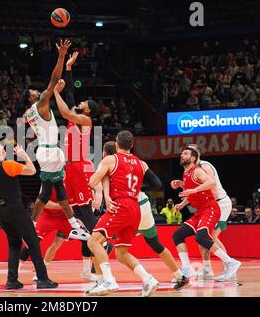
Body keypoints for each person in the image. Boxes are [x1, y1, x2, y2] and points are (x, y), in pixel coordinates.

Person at [22, 39, 88, 241]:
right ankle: (33, 226)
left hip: (45, 151)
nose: (37, 90)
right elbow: (53, 79)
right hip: (50, 151)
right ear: (32, 98)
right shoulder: (41, 103)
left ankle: (72, 226)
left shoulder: (28, 113)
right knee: (51, 191)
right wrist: (61, 56)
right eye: (34, 91)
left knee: (54, 191)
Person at [101, 141, 188, 291]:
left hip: (129, 210)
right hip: (144, 205)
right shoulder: (137, 162)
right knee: (156, 244)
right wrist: (137, 188)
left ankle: (103, 278)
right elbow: (156, 183)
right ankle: (180, 276)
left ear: (106, 154)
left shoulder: (110, 164)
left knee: (102, 240)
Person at [86, 131, 158, 296]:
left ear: (116, 144)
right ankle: (148, 279)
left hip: (121, 206)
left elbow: (92, 181)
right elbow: (155, 183)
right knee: (121, 252)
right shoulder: (141, 163)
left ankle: (109, 280)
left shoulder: (111, 159)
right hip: (135, 207)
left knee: (93, 242)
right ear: (132, 145)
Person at [52, 52, 102, 280]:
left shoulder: (85, 120)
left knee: (86, 214)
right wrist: (69, 68)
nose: (79, 102)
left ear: (88, 110)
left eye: (83, 103)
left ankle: (101, 247)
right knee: (76, 213)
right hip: (68, 169)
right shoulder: (75, 116)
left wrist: (54, 92)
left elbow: (63, 108)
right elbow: (71, 94)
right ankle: (86, 251)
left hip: (79, 168)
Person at [0, 141, 57, 290]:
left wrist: (2, 202)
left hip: (2, 210)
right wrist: (24, 156)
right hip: (16, 208)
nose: (4, 149)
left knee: (14, 244)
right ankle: (42, 279)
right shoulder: (7, 165)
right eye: (1, 147)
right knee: (33, 242)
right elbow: (31, 170)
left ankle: (12, 281)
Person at [171, 147, 241, 283]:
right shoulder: (186, 173)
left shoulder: (200, 168)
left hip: (214, 206)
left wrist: (194, 190)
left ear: (193, 157)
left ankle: (230, 264)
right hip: (202, 210)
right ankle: (187, 269)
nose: (182, 154)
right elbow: (192, 189)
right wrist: (182, 188)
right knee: (178, 235)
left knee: (205, 236)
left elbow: (211, 183)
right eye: (182, 152)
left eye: (186, 153)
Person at [184, 144, 234, 280]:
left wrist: (208, 206)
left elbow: (213, 188)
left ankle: (230, 268)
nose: (186, 154)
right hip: (209, 205)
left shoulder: (204, 167)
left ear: (196, 154)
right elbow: (196, 192)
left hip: (219, 203)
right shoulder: (192, 170)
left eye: (190, 151)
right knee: (202, 237)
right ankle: (207, 270)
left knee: (212, 235)